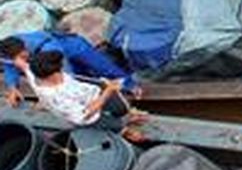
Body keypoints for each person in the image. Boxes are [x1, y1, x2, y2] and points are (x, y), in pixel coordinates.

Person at [26, 51, 146, 141]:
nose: (62, 70)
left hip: (89, 95)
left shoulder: (34, 73)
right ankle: (128, 133)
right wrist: (108, 91)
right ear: (51, 75)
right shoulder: (57, 97)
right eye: (60, 69)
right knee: (114, 124)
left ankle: (128, 116)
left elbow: (22, 64)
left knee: (120, 106)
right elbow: (85, 114)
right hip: (90, 116)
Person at [0, 31, 141, 107]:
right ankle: (103, 90)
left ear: (24, 49)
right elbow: (9, 66)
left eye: (20, 58)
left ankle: (130, 85)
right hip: (50, 59)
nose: (17, 62)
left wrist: (49, 96)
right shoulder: (7, 50)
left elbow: (64, 74)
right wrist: (13, 87)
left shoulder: (47, 47)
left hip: (73, 48)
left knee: (103, 68)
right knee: (84, 76)